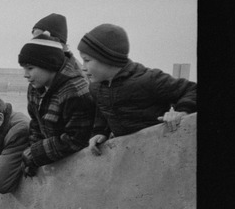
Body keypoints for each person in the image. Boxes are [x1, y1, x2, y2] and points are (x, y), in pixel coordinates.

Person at [75, 23, 198, 155]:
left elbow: (192, 90)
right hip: (128, 153)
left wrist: (182, 111)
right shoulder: (96, 87)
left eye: (87, 60)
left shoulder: (148, 79)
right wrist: (100, 132)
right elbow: (103, 111)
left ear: (108, 59)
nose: (83, 67)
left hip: (158, 150)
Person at [19, 36, 95, 177]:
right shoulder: (35, 88)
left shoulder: (75, 90)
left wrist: (36, 153)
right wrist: (32, 155)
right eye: (24, 68)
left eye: (30, 68)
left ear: (50, 64)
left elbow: (77, 139)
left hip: (80, 167)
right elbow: (36, 124)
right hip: (55, 158)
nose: (25, 75)